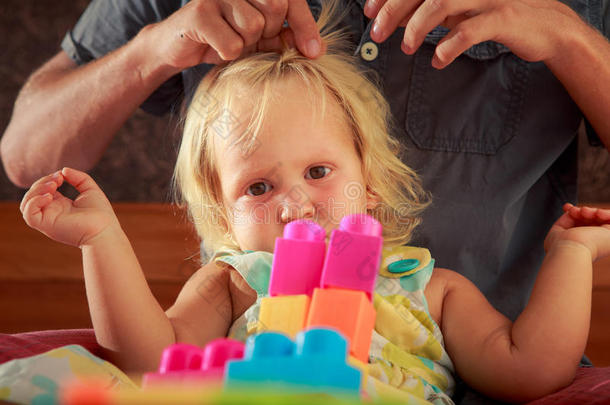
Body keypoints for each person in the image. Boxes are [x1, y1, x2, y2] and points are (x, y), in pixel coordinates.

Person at [3, 0, 610, 402]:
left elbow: (530, 369)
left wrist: (572, 254)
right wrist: (101, 240)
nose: (294, 204)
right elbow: (147, 360)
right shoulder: (236, 282)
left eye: (319, 171)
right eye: (258, 188)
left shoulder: (426, 287)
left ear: (370, 185)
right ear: (223, 214)